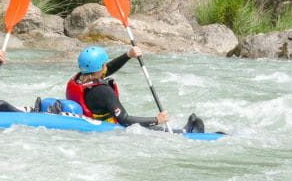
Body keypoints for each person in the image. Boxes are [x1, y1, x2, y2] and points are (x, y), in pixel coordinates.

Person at [65, 46, 205, 132]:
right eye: (104, 64)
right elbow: (125, 120)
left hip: (91, 122)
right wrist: (156, 119)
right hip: (109, 129)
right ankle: (185, 132)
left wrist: (128, 55)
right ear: (100, 67)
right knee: (150, 128)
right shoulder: (103, 91)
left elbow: (107, 70)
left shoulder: (79, 79)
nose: (106, 66)